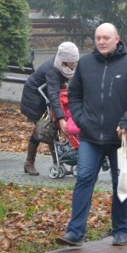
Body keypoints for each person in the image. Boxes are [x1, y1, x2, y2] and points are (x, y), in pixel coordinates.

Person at [56, 23, 127, 247]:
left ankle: (120, 231)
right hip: (90, 137)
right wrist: (81, 119)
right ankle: (75, 232)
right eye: (98, 37)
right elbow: (74, 94)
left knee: (121, 184)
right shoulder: (86, 64)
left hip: (121, 138)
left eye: (106, 37)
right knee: (84, 179)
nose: (101, 41)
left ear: (117, 38)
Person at [20, 42, 79, 175]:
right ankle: (30, 163)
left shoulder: (61, 65)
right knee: (43, 129)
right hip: (34, 98)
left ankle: (57, 163)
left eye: (76, 60)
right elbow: (53, 95)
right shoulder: (53, 70)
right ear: (64, 60)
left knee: (51, 129)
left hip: (45, 96)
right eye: (72, 61)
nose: (74, 64)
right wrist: (61, 118)